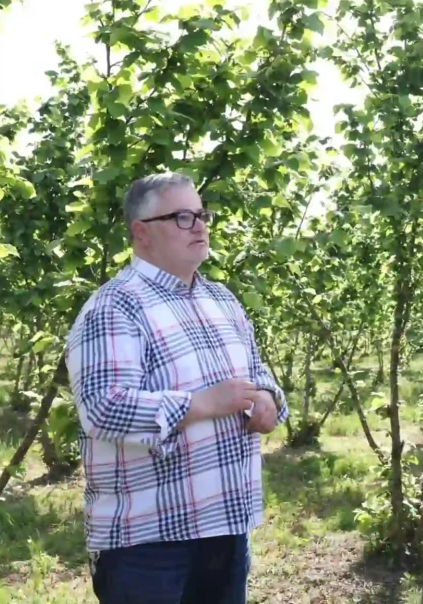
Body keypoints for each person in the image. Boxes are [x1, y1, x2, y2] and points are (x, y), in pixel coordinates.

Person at [65, 172, 288, 604]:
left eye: (202, 214)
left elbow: (260, 375)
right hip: (149, 542)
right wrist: (200, 404)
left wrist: (266, 400)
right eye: (183, 217)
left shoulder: (222, 299)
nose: (201, 226)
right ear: (141, 233)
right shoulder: (114, 307)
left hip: (226, 528)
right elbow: (102, 407)